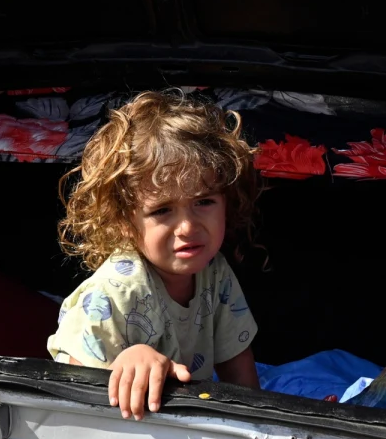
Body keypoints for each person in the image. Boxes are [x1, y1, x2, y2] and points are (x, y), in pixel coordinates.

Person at [47, 91, 261, 420]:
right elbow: (75, 389)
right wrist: (130, 360)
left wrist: (259, 420)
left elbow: (237, 362)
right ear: (124, 222)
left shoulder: (214, 271)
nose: (188, 227)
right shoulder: (113, 293)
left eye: (204, 202)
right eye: (162, 210)